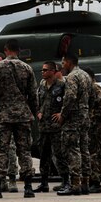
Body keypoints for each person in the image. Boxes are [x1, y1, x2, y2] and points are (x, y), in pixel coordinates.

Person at [0, 39, 38, 199]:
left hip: (4, 115)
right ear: (19, 50)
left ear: (6, 49)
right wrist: (34, 113)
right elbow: (33, 94)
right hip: (23, 115)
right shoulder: (27, 68)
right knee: (24, 151)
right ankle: (28, 187)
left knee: (2, 150)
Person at [52, 53, 92, 196]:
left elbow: (70, 97)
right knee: (84, 149)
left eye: (63, 63)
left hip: (73, 118)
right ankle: (85, 183)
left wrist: (62, 115)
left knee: (72, 150)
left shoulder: (72, 77)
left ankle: (75, 184)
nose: (62, 66)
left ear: (69, 62)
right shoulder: (86, 76)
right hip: (84, 116)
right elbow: (91, 97)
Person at [34, 61, 69, 193]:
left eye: (45, 70)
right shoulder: (42, 85)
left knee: (59, 155)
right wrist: (38, 111)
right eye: (42, 70)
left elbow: (68, 102)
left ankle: (66, 181)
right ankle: (44, 183)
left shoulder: (62, 85)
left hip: (56, 127)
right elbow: (38, 101)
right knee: (44, 155)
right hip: (43, 127)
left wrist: (62, 114)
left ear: (53, 71)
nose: (42, 72)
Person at [0, 52, 19, 193]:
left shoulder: (11, 80)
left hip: (9, 119)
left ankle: (12, 178)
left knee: (11, 150)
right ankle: (0, 180)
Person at [84, 68, 101, 193]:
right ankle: (93, 180)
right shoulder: (88, 88)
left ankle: (96, 182)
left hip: (94, 126)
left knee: (94, 154)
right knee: (91, 153)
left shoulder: (95, 88)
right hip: (90, 125)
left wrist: (100, 122)